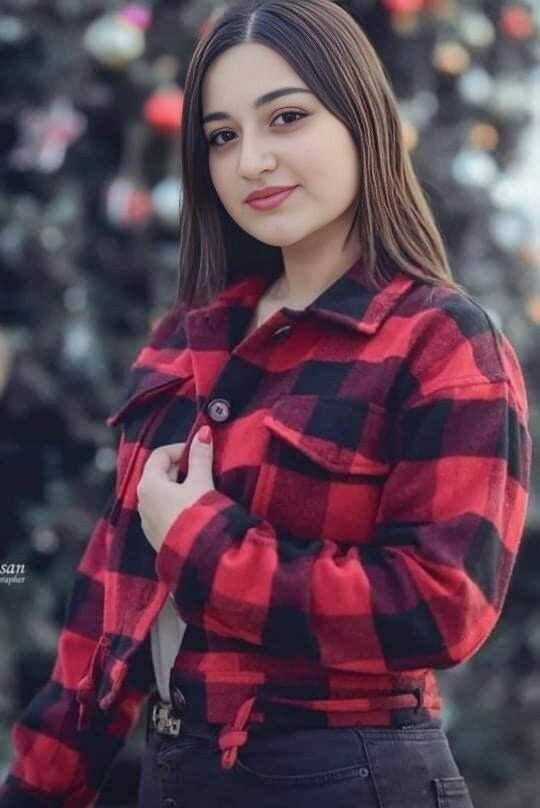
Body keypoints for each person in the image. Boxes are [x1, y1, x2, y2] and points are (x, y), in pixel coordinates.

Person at [0, 0, 532, 806]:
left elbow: (442, 607)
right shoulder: (185, 338)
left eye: (286, 117)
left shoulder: (442, 342)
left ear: (361, 120)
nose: (251, 161)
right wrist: (41, 786)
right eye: (222, 136)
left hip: (348, 776)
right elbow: (112, 595)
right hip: (175, 776)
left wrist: (204, 543)